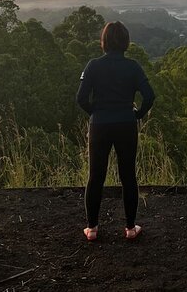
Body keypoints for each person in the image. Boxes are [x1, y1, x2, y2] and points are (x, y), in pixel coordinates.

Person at [76, 21, 155, 241]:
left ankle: (92, 229)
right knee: (128, 175)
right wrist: (137, 114)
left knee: (96, 176)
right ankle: (130, 228)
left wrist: (96, 113)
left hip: (100, 125)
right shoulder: (133, 66)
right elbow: (149, 96)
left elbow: (81, 98)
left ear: (104, 41)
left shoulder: (93, 65)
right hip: (126, 125)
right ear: (126, 42)